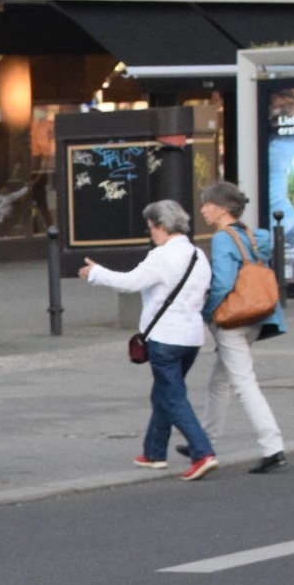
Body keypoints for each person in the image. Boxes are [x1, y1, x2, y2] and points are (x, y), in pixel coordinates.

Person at [80, 199, 217, 480]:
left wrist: (95, 273)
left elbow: (130, 282)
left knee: (174, 396)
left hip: (164, 337)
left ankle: (202, 452)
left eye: (152, 228)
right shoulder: (197, 255)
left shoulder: (162, 256)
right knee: (164, 393)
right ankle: (154, 452)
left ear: (163, 227)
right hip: (191, 337)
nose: (151, 234)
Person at [196, 181, 290, 475]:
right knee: (219, 382)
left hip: (232, 320)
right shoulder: (253, 236)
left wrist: (207, 313)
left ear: (222, 208)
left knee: (244, 384)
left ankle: (272, 445)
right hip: (256, 317)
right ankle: (204, 440)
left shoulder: (224, 239)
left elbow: (223, 282)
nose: (203, 209)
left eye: (207, 204)